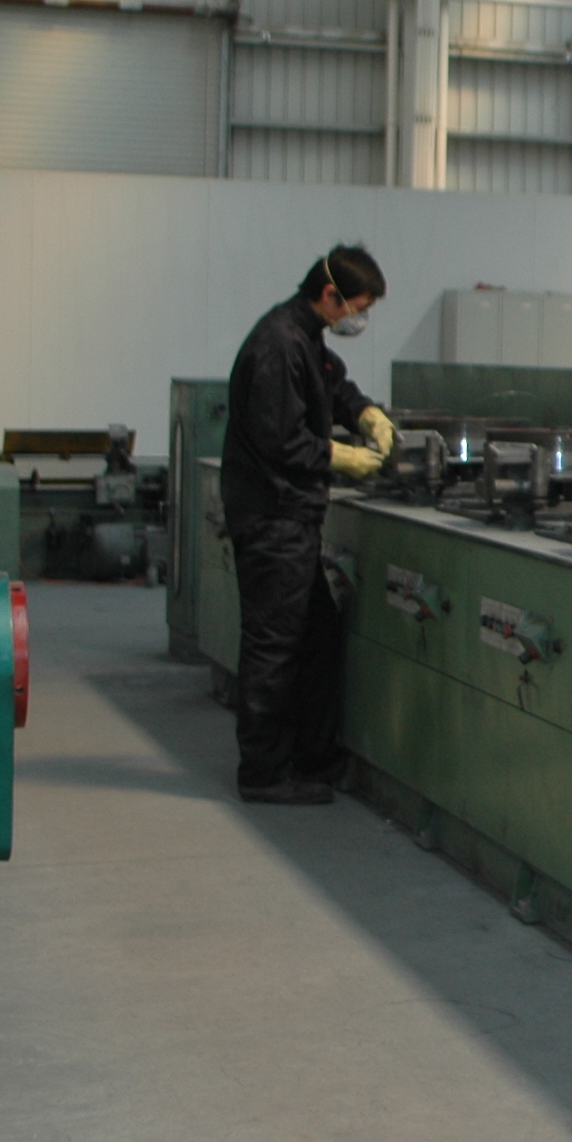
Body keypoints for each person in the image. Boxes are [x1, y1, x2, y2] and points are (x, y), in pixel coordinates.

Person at [222, 245, 397, 805]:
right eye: (357, 309)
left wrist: (365, 413)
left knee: (317, 636)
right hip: (273, 520)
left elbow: (332, 386)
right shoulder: (277, 345)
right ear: (329, 295)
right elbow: (282, 439)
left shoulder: (304, 338)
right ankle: (263, 772)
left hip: (291, 520)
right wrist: (342, 457)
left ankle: (313, 757)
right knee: (274, 647)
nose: (358, 320)